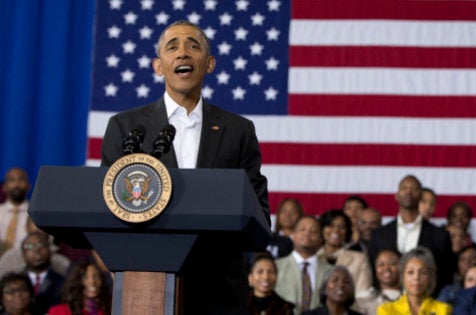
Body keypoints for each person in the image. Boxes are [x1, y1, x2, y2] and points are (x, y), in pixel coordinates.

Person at [99, 20, 269, 313]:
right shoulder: (126, 128)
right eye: (172, 46)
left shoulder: (238, 130)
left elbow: (259, 216)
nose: (182, 53)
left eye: (193, 45)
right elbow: (106, 210)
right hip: (146, 287)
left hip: (220, 291)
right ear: (158, 65)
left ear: (210, 63)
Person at [368, 175, 454, 296]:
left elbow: (446, 275)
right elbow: (372, 271)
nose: (409, 191)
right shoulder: (379, 234)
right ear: (396, 195)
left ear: (421, 196)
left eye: (414, 188)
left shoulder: (440, 236)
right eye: (404, 188)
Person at [275, 216, 332, 314]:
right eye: (302, 229)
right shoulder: (275, 267)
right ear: (293, 235)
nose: (307, 234)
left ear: (321, 240)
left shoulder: (331, 271)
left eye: (313, 231)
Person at [377, 247, 452, 315]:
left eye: (423, 273)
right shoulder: (386, 310)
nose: (416, 277)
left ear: (430, 277)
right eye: (410, 272)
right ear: (403, 277)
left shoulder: (443, 310)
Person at [317, 210, 372, 294]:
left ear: (347, 232)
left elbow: (363, 294)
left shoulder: (360, 259)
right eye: (330, 225)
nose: (336, 230)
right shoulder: (312, 257)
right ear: (321, 229)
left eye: (341, 227)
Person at [21, 232, 64, 315]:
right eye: (30, 246)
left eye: (41, 245)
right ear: (23, 255)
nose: (36, 250)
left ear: (50, 251)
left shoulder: (63, 282)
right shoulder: (17, 282)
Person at [355, 249, 402, 315]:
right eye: (381, 264)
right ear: (376, 270)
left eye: (392, 264)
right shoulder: (363, 299)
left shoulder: (413, 298)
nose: (386, 268)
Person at [0, 168, 31, 257]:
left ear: (28, 186)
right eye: (12, 180)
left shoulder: (36, 215)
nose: (17, 184)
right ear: (4, 187)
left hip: (25, 263)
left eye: (21, 179)